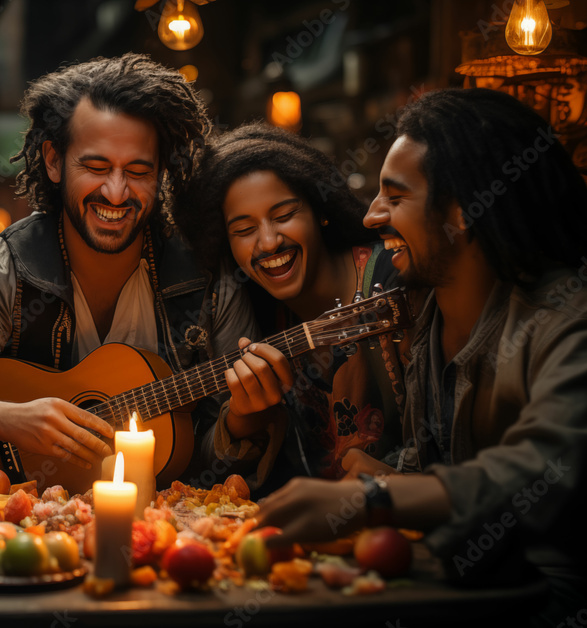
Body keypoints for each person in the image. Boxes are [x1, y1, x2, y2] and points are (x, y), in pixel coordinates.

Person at [253, 88, 587, 623]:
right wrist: (382, 479)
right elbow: (432, 460)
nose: (371, 216)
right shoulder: (429, 314)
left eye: (394, 196)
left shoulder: (572, 318)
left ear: (463, 211)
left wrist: (378, 500)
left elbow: (549, 466)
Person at [0, 53, 278, 488]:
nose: (115, 192)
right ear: (54, 161)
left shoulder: (209, 280)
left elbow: (209, 462)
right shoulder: (1, 268)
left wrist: (241, 423)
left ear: (161, 172)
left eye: (137, 171)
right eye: (95, 167)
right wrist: (11, 420)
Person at [174, 124, 412, 498]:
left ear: (320, 210)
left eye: (283, 215)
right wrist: (243, 421)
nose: (268, 242)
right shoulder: (258, 312)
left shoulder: (394, 278)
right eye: (244, 229)